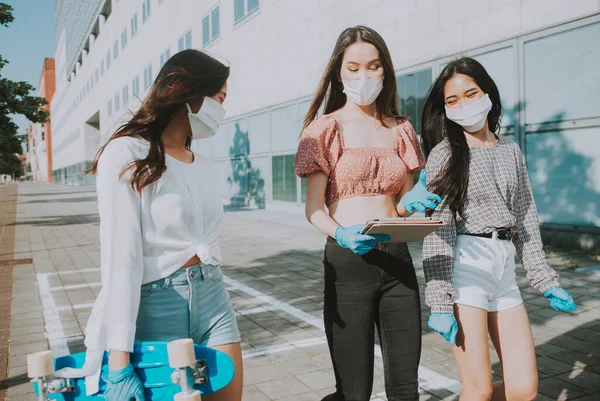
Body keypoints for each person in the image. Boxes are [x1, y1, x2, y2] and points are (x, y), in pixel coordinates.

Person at [64, 49, 243, 401]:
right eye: (219, 99)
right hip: (156, 302)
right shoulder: (127, 152)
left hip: (212, 293)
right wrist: (118, 363)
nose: (222, 110)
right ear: (190, 94)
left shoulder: (203, 163)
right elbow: (121, 258)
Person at [295, 26, 441, 401]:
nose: (364, 76)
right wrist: (340, 233)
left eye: (373, 67)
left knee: (406, 387)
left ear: (385, 72)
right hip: (347, 261)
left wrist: (414, 202)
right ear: (339, 74)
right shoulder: (325, 129)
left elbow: (405, 203)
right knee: (354, 391)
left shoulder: (402, 129)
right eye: (354, 68)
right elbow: (313, 209)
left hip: (397, 261)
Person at [421, 57, 577, 401]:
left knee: (524, 390)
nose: (463, 105)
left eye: (470, 93)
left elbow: (524, 217)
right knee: (477, 390)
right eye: (452, 101)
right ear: (445, 109)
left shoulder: (511, 150)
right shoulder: (444, 155)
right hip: (466, 269)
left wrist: (546, 280)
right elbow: (438, 231)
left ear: (488, 94)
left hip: (504, 272)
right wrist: (440, 301)